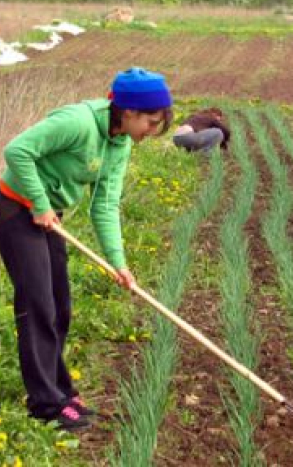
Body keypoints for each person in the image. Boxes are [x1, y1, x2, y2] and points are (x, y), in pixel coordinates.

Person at [0, 67, 173, 431]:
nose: (153, 131)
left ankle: (60, 389)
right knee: (38, 304)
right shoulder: (78, 123)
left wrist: (118, 263)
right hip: (14, 207)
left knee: (60, 304)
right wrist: (38, 201)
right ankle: (45, 404)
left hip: (47, 213)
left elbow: (105, 205)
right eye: (152, 121)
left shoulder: (120, 142)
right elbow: (17, 151)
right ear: (128, 111)